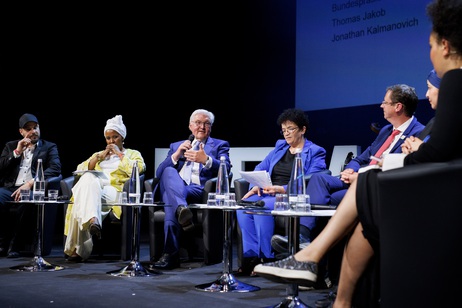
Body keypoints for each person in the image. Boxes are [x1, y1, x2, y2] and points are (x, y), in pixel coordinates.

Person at [254, 1, 462, 307]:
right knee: (365, 211)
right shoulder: (390, 128)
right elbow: (379, 154)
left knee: (368, 183)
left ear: (444, 46)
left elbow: (439, 150)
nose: (429, 53)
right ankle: (339, 297)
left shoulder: (457, 81)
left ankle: (309, 253)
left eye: (430, 45)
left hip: (436, 193)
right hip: (422, 186)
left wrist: (404, 156)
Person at [271, 84, 426, 254]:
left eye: (385, 102)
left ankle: (304, 245)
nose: (381, 105)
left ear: (398, 107)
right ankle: (302, 238)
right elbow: (361, 158)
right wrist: (350, 170)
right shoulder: (386, 131)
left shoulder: (418, 134)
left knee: (329, 198)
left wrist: (360, 176)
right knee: (318, 179)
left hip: (374, 185)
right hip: (355, 179)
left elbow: (398, 169)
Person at [235, 108, 327, 276]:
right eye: (283, 130)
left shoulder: (315, 151)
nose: (286, 134)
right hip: (268, 191)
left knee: (260, 208)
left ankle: (266, 258)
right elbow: (260, 167)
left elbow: (312, 179)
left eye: (290, 129)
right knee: (243, 208)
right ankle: (250, 258)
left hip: (289, 194)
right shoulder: (280, 148)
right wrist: (256, 184)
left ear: (303, 129)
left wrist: (282, 189)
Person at [152, 109, 231, 270]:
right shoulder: (177, 146)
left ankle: (170, 255)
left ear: (211, 127)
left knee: (170, 199)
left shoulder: (220, 145)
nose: (202, 126)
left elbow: (227, 168)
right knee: (168, 172)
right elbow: (159, 174)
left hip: (198, 190)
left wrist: (207, 160)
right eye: (198, 123)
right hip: (178, 187)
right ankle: (182, 210)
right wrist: (176, 155)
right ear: (190, 126)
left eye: (206, 123)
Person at [64, 115, 146, 262]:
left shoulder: (132, 154)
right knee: (88, 178)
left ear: (122, 137)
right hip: (95, 189)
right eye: (108, 138)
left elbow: (138, 168)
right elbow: (80, 169)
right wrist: (98, 158)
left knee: (81, 197)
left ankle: (78, 250)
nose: (111, 141)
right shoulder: (100, 155)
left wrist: (120, 155)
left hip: (114, 190)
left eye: (115, 137)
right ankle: (93, 220)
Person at [0, 113, 62, 258]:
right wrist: (17, 151)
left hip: (33, 188)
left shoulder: (49, 147)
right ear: (21, 132)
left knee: (26, 201)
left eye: (35, 127)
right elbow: (1, 168)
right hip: (10, 187)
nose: (33, 131)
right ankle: (2, 243)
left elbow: (55, 168)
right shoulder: (10, 146)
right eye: (28, 129)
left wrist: (30, 183)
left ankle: (14, 245)